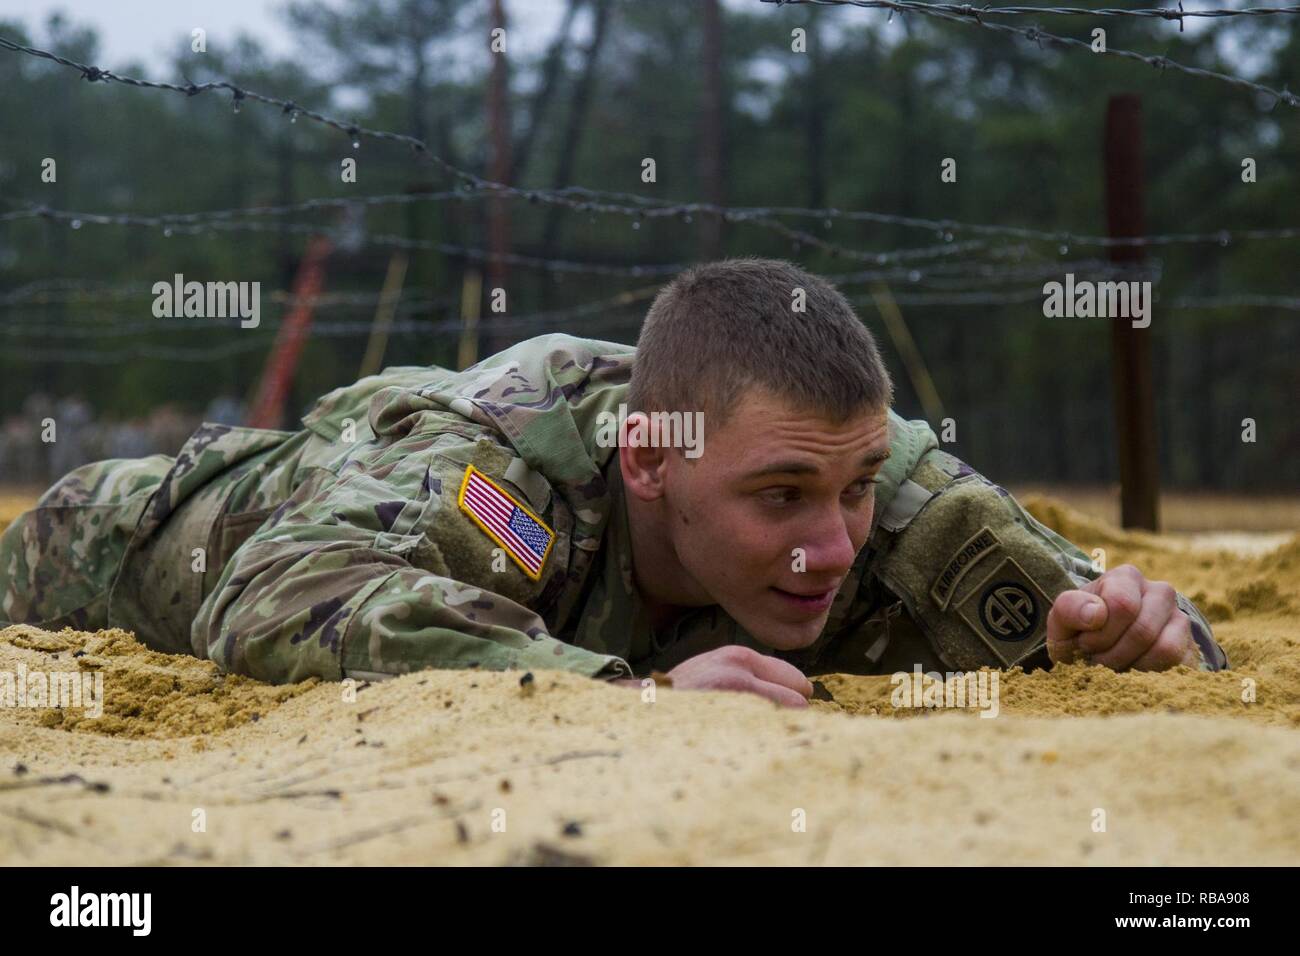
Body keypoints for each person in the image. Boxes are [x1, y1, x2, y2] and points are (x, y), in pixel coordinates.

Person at [0, 258, 1226, 708]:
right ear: (649, 461)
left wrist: (1142, 632)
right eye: (782, 497)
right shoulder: (493, 472)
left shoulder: (866, 470)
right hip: (130, 537)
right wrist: (619, 688)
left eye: (851, 490)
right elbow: (277, 591)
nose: (834, 543)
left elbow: (1112, 622)